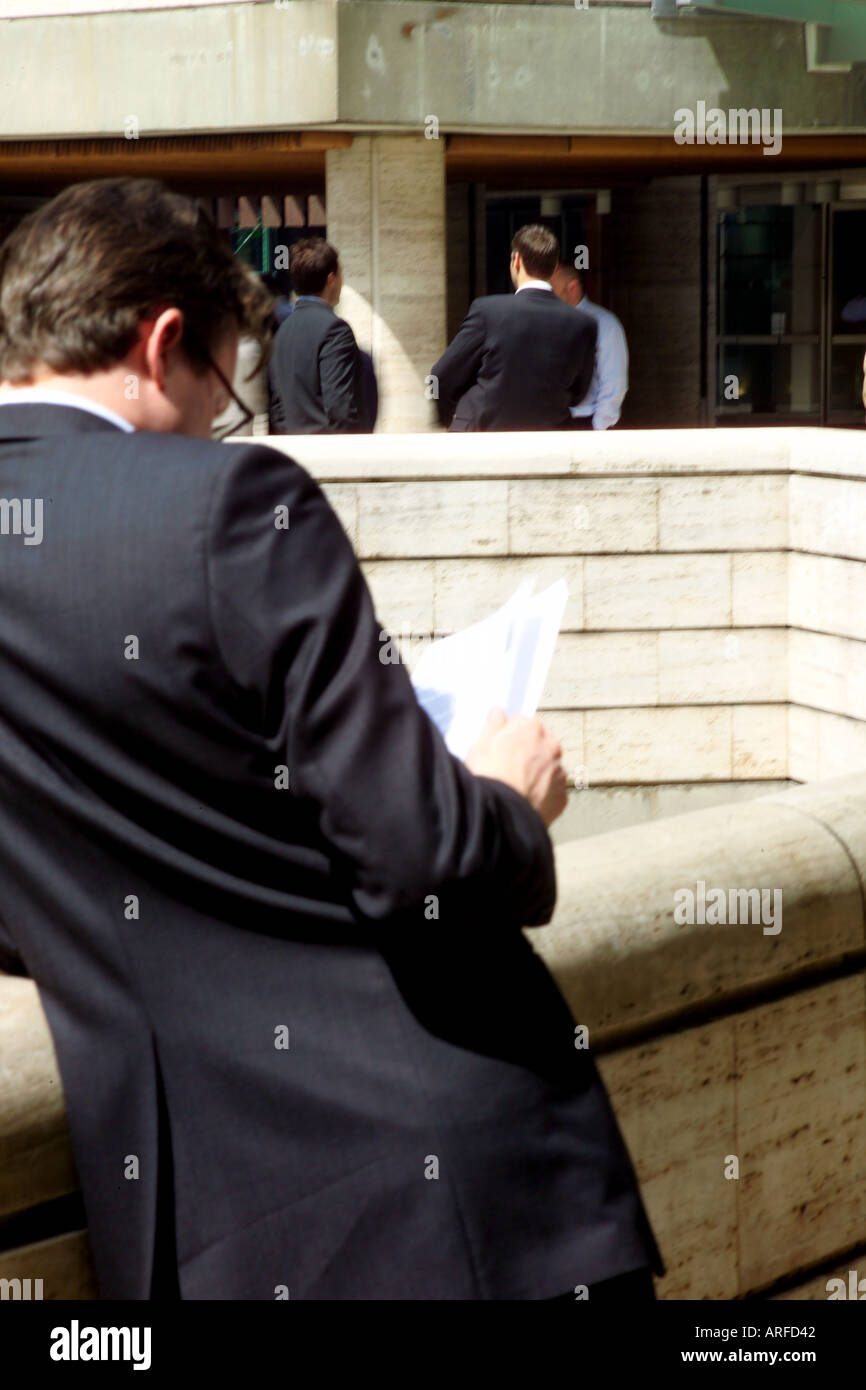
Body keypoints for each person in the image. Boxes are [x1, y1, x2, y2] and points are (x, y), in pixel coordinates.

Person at [0, 177, 662, 1300]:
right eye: (218, 388)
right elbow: (423, 859)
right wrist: (500, 798)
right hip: (452, 1208)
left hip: (202, 1240)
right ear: (161, 343)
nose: (218, 425)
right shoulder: (225, 502)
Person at [430, 224, 597, 432]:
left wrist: (447, 418)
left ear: (516, 260)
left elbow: (439, 376)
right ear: (555, 268)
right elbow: (579, 394)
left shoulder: (487, 311)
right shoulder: (584, 324)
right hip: (548, 443)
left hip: (480, 439)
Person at [268, 237, 363, 434]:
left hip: (293, 450)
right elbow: (340, 407)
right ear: (331, 279)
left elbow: (277, 409)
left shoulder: (282, 331)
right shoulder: (335, 330)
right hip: (328, 453)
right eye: (341, 274)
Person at [551, 262, 629, 431]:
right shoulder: (544, 322)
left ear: (572, 287)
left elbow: (614, 383)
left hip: (584, 422)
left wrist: (598, 428)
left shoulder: (604, 323)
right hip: (548, 423)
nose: (548, 294)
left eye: (552, 288)